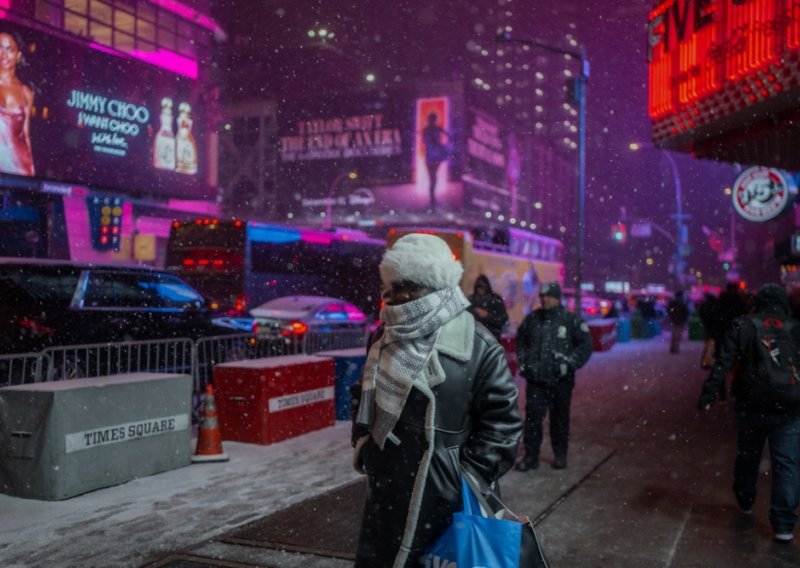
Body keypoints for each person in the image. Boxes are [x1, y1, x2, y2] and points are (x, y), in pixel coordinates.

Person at [350, 233, 522, 567]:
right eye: (394, 286)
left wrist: (462, 475)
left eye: (410, 286)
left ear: (436, 287)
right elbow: (363, 392)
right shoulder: (383, 335)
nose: (399, 296)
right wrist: (364, 445)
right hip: (386, 488)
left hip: (446, 496)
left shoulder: (476, 343)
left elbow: (503, 425)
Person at [698, 283, 800, 543]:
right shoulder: (795, 327)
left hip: (750, 404)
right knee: (787, 463)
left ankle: (745, 498)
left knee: (748, 456)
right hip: (788, 406)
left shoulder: (743, 324)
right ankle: (784, 524)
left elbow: (724, 361)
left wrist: (709, 394)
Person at [515, 281, 593, 471]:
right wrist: (525, 362)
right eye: (542, 296)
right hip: (536, 380)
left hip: (561, 381)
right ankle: (531, 457)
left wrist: (570, 364)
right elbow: (521, 341)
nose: (544, 299)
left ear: (557, 298)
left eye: (548, 296)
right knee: (533, 419)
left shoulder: (570, 320)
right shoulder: (533, 319)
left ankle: (560, 455)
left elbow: (585, 345)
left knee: (559, 419)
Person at [0, 29, 34, 176]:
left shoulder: (26, 92)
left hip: (19, 169)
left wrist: (33, 176)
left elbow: (25, 134)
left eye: (10, 49)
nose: (3, 54)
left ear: (18, 56)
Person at [709, 283, 748, 399]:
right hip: (736, 336)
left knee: (721, 365)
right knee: (739, 365)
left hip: (722, 335)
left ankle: (722, 395)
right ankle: (736, 392)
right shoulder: (739, 301)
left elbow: (713, 317)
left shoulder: (721, 301)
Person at [467, 274, 509, 341]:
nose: (481, 289)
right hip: (474, 338)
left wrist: (487, 315)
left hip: (491, 337)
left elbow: (503, 319)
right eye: (479, 286)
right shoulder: (471, 300)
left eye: (484, 286)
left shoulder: (495, 300)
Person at [422, 112, 450, 211]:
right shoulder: (432, 129)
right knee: (433, 179)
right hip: (434, 155)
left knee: (433, 179)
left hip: (432, 155)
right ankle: (432, 202)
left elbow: (426, 142)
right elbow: (447, 135)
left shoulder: (428, 130)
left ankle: (432, 202)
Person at [666, 290, 690, 354]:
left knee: (674, 334)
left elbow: (668, 310)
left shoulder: (672, 302)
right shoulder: (683, 302)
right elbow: (686, 312)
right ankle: (676, 348)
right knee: (678, 335)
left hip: (674, 320)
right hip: (681, 320)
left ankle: (673, 347)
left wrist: (672, 316)